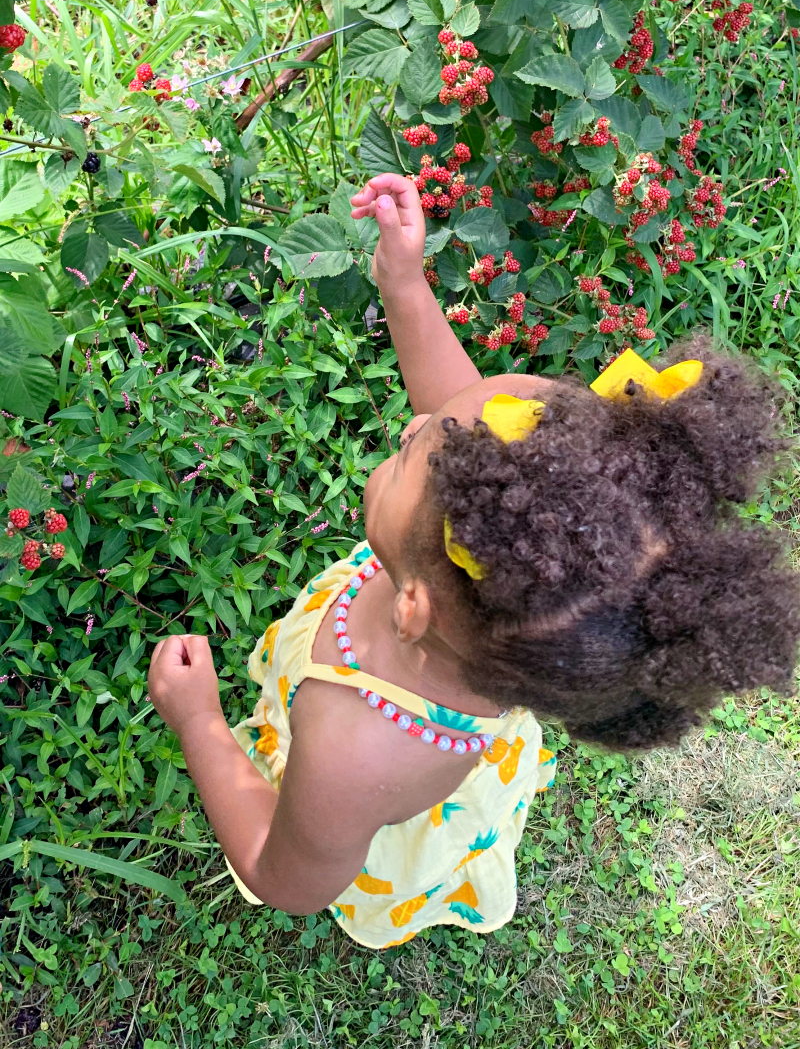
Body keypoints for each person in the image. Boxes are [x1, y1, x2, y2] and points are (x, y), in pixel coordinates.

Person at [148, 173, 800, 950]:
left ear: (414, 604)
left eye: (406, 451)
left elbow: (283, 875)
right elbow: (458, 401)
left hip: (366, 774)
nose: (415, 423)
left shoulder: (352, 750)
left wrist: (200, 722)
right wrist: (403, 280)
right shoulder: (500, 601)